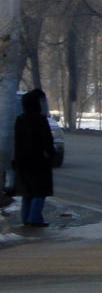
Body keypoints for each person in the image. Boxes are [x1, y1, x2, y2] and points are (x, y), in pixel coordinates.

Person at [12, 88, 55, 227]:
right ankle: (35, 218)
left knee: (27, 193)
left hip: (22, 161)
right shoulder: (40, 120)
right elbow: (47, 140)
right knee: (39, 191)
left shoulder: (20, 119)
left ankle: (25, 218)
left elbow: (16, 141)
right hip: (38, 161)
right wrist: (51, 154)